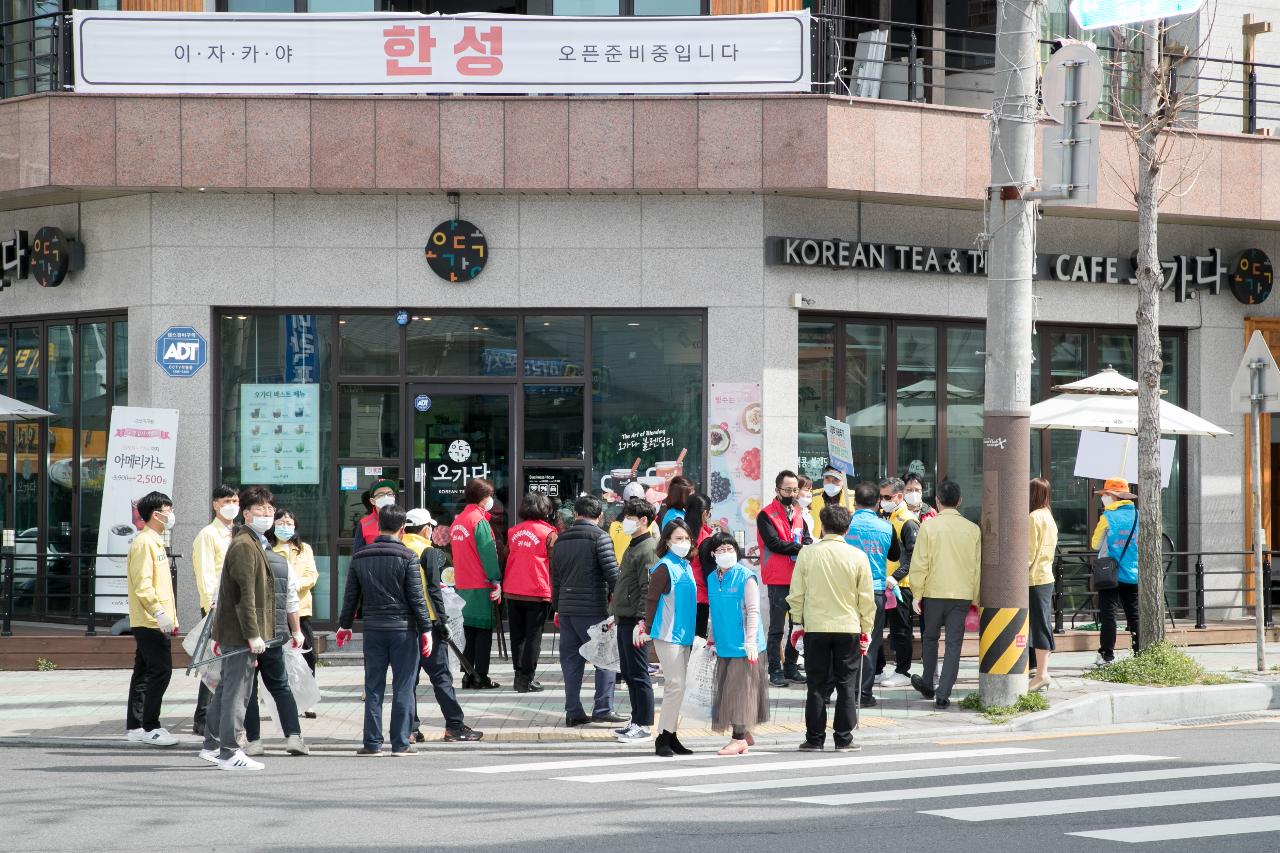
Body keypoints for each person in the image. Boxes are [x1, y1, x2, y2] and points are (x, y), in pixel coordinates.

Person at [336, 504, 434, 756]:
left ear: (379, 527)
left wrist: (344, 625)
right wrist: (426, 629)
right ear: (402, 529)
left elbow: (351, 596)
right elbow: (416, 597)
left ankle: (371, 743)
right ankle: (401, 743)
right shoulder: (408, 557)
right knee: (403, 686)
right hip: (404, 630)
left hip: (373, 630)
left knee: (373, 687)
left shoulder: (361, 557)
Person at [201, 486, 279, 771]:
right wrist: (253, 634)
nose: (267, 514)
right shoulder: (245, 545)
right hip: (241, 633)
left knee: (225, 689)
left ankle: (211, 745)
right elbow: (246, 596)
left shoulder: (252, 542)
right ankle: (230, 751)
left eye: (270, 509)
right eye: (260, 509)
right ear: (246, 514)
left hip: (237, 631)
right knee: (237, 691)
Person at [786, 504, 875, 753]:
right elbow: (866, 598)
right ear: (848, 528)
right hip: (849, 626)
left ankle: (814, 739)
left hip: (815, 626)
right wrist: (866, 628)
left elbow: (797, 594)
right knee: (846, 684)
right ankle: (843, 738)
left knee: (816, 684)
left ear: (822, 527)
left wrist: (797, 623)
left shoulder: (807, 554)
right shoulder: (858, 556)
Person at [401, 508, 483, 743]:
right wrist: (443, 622)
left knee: (408, 679)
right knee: (441, 676)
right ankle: (454, 727)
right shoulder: (427, 551)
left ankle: (411, 729)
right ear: (425, 528)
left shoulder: (398, 548)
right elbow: (434, 591)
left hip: (403, 625)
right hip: (429, 623)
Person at [551, 495, 625, 727]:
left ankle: (573, 711)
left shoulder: (561, 541)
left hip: (567, 610)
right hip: (593, 609)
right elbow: (613, 576)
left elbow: (555, 579)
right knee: (605, 659)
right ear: (600, 516)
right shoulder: (600, 538)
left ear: (576, 515)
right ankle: (603, 708)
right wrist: (620, 608)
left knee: (571, 662)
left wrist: (557, 607)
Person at [239, 517, 309, 759]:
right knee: (280, 686)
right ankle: (294, 737)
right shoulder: (282, 563)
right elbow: (291, 601)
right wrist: (296, 631)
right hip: (275, 634)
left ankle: (255, 741)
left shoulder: (242, 560)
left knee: (248, 688)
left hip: (245, 636)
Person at [910, 480, 981, 709]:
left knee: (930, 639)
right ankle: (943, 693)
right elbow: (977, 567)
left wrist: (917, 593)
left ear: (937, 501)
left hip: (933, 593)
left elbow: (920, 563)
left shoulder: (928, 527)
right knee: (953, 644)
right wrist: (976, 598)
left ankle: (928, 682)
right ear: (959, 501)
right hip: (961, 595)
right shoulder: (973, 529)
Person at [706, 533, 769, 756]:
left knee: (742, 692)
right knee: (728, 691)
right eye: (720, 550)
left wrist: (750, 640)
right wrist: (711, 639)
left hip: (745, 646)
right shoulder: (712, 578)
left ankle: (739, 739)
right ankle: (744, 732)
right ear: (713, 554)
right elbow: (714, 611)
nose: (726, 553)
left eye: (729, 548)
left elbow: (753, 611)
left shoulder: (746, 577)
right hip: (724, 643)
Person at [639, 518, 698, 757]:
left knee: (680, 688)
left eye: (686, 538)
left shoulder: (686, 565)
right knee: (675, 685)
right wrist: (647, 627)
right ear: (667, 541)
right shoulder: (664, 567)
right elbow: (651, 599)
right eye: (678, 539)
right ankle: (662, 737)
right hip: (667, 633)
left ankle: (671, 735)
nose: (683, 542)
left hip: (684, 634)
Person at [125, 491, 179, 748]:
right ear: (155, 514)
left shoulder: (154, 541)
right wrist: (159, 613)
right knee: (161, 671)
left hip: (152, 619)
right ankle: (151, 726)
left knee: (144, 672)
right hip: (150, 620)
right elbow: (143, 585)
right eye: (167, 510)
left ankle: (136, 725)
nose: (170, 514)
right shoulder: (145, 543)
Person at [844, 481, 901, 708]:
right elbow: (895, 556)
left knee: (843, 641)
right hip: (874, 590)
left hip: (845, 590)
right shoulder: (886, 527)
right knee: (869, 642)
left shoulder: (844, 523)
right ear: (878, 502)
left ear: (855, 502)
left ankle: (842, 690)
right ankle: (863, 694)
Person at [191, 484, 238, 736]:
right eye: (227, 500)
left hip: (234, 607)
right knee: (212, 663)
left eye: (235, 500)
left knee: (226, 664)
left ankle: (217, 715)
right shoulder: (208, 535)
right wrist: (210, 603)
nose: (232, 505)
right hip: (216, 607)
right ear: (215, 505)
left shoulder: (237, 532)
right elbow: (205, 572)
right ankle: (202, 718)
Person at [611, 496, 658, 743]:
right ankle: (636, 718)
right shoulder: (634, 545)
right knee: (629, 672)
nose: (625, 522)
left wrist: (642, 621)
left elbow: (647, 588)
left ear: (643, 520)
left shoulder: (648, 548)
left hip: (635, 621)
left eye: (630, 518)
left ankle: (644, 724)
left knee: (639, 673)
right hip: (625, 618)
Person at [756, 470, 809, 688]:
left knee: (797, 625)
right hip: (777, 577)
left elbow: (805, 535)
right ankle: (775, 670)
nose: (792, 493)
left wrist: (806, 543)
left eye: (795, 489)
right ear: (777, 490)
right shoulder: (766, 515)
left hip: (798, 576)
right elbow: (773, 543)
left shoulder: (798, 512)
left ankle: (791, 667)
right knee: (777, 627)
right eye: (787, 489)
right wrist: (800, 547)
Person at [450, 478, 503, 689]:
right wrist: (496, 578)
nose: (491, 500)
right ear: (483, 498)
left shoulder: (458, 521)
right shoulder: (478, 522)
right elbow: (488, 553)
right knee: (482, 633)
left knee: (468, 632)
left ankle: (467, 675)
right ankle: (480, 675)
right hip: (480, 584)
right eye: (489, 496)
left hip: (462, 584)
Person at [505, 492, 559, 693]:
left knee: (517, 636)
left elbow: (506, 556)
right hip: (537, 590)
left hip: (512, 589)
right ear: (545, 510)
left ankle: (519, 677)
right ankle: (527, 678)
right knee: (533, 637)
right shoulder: (549, 534)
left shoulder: (513, 531)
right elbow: (555, 565)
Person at [270, 509, 320, 696]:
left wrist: (295, 585)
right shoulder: (268, 548)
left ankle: (307, 696)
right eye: (281, 523)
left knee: (308, 654)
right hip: (276, 610)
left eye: (289, 523)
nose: (285, 526)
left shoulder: (304, 548)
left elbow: (312, 575)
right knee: (277, 657)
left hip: (301, 609)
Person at [1092, 477, 1139, 666]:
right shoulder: (1138, 515)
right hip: (1132, 572)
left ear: (1112, 496)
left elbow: (1095, 544)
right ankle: (1140, 652)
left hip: (1109, 574)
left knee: (1109, 615)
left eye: (1105, 495)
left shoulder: (1107, 517)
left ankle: (1106, 655)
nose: (1103, 498)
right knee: (1134, 614)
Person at [880, 476, 921, 687]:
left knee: (901, 630)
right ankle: (880, 669)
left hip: (901, 586)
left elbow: (914, 558)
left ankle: (903, 671)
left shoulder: (908, 521)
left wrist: (894, 577)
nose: (883, 500)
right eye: (881, 497)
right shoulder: (887, 516)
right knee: (881, 628)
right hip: (884, 584)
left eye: (887, 497)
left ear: (899, 496)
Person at [1028, 477, 1059, 691]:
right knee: (1043, 623)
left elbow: (1028, 554)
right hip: (1046, 577)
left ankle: (1041, 673)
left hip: (1033, 579)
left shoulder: (1033, 518)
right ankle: (1038, 670)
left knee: (1038, 626)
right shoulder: (1049, 517)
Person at [684, 492, 715, 638]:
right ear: (704, 514)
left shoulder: (678, 534)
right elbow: (710, 575)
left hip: (679, 596)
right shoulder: (705, 539)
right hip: (700, 598)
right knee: (697, 644)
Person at [354, 479, 399, 553]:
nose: (386, 497)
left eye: (389, 494)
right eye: (381, 495)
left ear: (394, 497)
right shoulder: (364, 523)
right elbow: (357, 554)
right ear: (372, 501)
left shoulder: (402, 520)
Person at [608, 482, 649, 561]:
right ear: (643, 500)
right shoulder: (648, 523)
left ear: (624, 501)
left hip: (619, 570)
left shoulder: (614, 526)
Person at [810, 464, 852, 536]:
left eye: (836, 479)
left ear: (843, 481)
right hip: (817, 541)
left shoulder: (853, 497)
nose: (831, 483)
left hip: (843, 542)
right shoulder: (811, 496)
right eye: (827, 478)